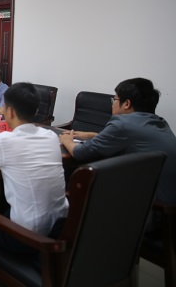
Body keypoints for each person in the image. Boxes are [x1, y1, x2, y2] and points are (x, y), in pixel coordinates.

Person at [0, 82, 68, 281]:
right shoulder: (50, 136)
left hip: (28, 236)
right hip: (59, 228)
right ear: (35, 111)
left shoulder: (4, 141)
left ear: (10, 111)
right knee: (6, 206)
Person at [59, 77, 176, 234]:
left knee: (77, 183)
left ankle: (68, 234)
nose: (112, 104)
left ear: (126, 104)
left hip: (150, 211)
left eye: (114, 100)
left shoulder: (122, 124)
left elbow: (80, 153)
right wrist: (92, 135)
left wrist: (66, 140)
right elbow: (132, 141)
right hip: (168, 210)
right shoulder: (158, 122)